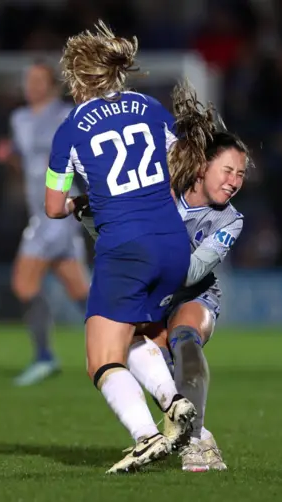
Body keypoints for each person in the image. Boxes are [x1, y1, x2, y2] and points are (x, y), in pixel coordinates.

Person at [75, 80, 251, 473]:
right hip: (151, 293)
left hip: (191, 294)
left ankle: (193, 438)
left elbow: (190, 271)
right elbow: (109, 235)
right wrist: (93, 215)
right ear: (203, 166)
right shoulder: (158, 190)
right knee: (138, 358)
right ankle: (197, 437)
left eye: (240, 174)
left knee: (184, 339)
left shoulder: (230, 220)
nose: (234, 181)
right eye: (228, 170)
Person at [44, 21, 196, 474]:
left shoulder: (69, 129)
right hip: (172, 241)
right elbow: (178, 168)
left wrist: (81, 200)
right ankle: (176, 404)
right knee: (137, 334)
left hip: (125, 248)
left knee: (100, 357)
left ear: (78, 78)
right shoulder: (150, 107)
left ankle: (145, 436)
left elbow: (53, 207)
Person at [0, 61, 90, 387]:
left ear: (52, 84)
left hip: (58, 211)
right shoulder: (18, 119)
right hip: (40, 211)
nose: (31, 85)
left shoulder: (67, 115)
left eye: (38, 79)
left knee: (23, 282)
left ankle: (44, 357)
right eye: (28, 79)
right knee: (82, 292)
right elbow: (25, 162)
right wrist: (10, 157)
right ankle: (136, 343)